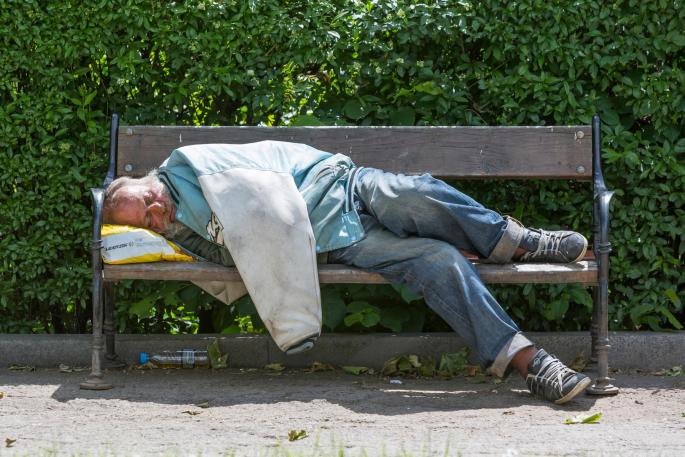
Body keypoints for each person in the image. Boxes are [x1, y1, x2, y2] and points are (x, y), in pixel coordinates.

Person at [103, 141, 591, 404]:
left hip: (341, 184)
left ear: (150, 180)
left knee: (410, 194)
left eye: (148, 202)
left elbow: (259, 184)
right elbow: (240, 259)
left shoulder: (186, 165)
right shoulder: (181, 237)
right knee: (438, 262)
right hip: (333, 240)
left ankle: (516, 241)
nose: (155, 214)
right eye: (145, 221)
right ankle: (533, 364)